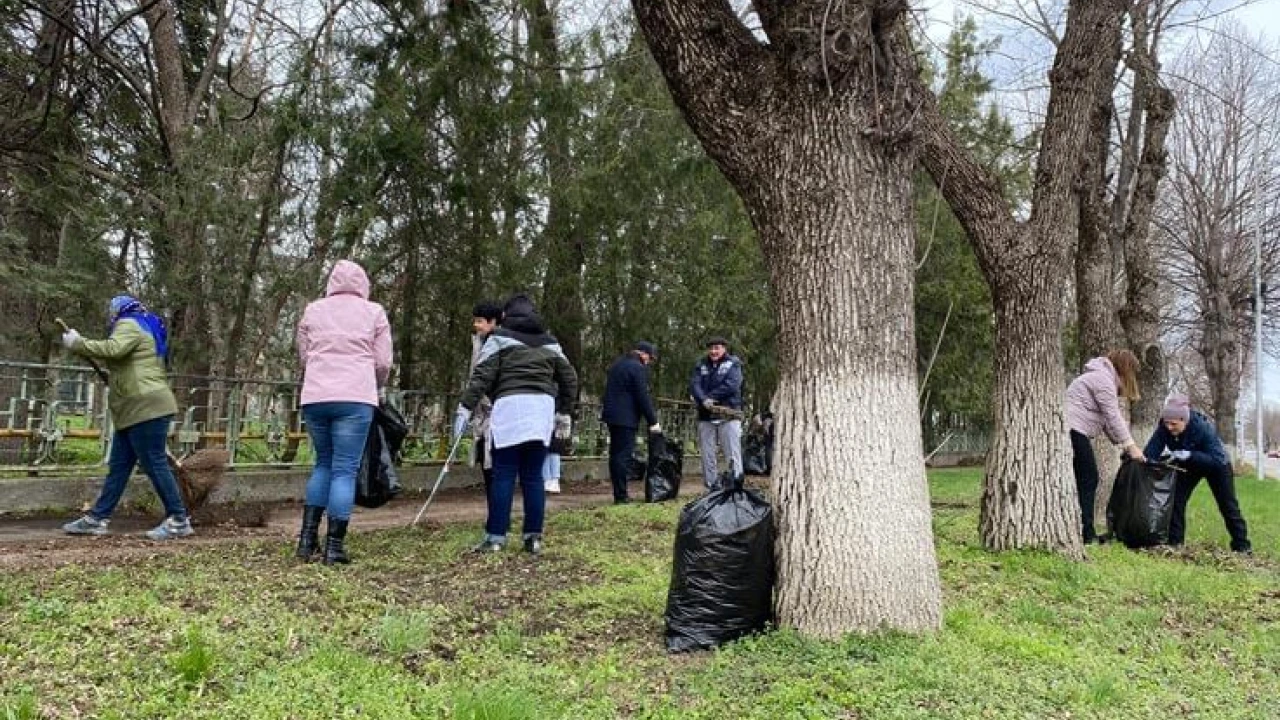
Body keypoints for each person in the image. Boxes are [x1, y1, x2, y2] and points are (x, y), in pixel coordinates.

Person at [60, 296, 192, 541]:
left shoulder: (129, 323)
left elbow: (113, 349)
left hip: (145, 406)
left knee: (154, 463)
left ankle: (178, 519)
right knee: (119, 467)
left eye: (111, 311)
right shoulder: (144, 325)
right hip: (135, 408)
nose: (110, 316)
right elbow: (122, 360)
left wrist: (79, 343)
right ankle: (97, 518)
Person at [454, 294, 577, 554]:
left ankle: (496, 537)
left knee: (504, 473)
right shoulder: (551, 343)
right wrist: (564, 411)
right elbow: (570, 378)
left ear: (506, 317)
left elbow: (482, 375)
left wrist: (464, 408)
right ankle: (533, 538)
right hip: (542, 409)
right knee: (533, 476)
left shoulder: (498, 338)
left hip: (510, 407)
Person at [294, 260, 393, 565]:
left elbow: (304, 353)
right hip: (355, 396)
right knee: (345, 470)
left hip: (316, 396)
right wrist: (374, 385)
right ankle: (334, 547)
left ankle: (306, 541)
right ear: (363, 284)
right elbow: (382, 363)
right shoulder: (373, 312)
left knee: (323, 464)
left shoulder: (313, 310)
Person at [1143, 394, 1251, 554]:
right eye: (1166, 423)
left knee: (1228, 506)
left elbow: (1215, 459)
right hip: (1189, 466)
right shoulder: (1164, 428)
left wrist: (1190, 455)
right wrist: (1142, 460)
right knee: (1176, 501)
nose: (1169, 427)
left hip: (1217, 466)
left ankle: (1242, 547)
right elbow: (1151, 451)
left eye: (1173, 424)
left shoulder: (1202, 428)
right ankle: (1175, 544)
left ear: (1184, 421)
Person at [1065, 349, 1145, 544]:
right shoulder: (1102, 380)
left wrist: (1124, 447)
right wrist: (1131, 446)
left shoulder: (1099, 378)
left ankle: (1081, 529)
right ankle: (1086, 533)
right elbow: (1112, 416)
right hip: (1073, 430)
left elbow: (1108, 424)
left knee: (1083, 479)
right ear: (1126, 370)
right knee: (1088, 478)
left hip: (1073, 431)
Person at [600, 341, 660, 504]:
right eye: (650, 359)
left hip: (613, 416)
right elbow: (642, 396)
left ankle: (618, 492)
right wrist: (653, 421)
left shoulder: (618, 364)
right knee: (623, 456)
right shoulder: (637, 368)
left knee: (615, 455)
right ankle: (621, 496)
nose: (649, 362)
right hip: (626, 418)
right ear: (644, 354)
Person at [690, 337, 744, 489]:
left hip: (729, 415)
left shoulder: (733, 363)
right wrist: (702, 399)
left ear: (724, 349)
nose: (713, 351)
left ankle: (736, 485)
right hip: (705, 416)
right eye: (711, 348)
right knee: (707, 455)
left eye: (717, 348)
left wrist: (711, 398)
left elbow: (732, 385)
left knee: (732, 453)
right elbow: (695, 384)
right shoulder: (701, 364)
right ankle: (711, 488)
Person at [468, 301, 502, 497]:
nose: (476, 325)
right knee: (486, 466)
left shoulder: (499, 345)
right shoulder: (479, 343)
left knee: (495, 468)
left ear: (493, 322)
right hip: (481, 415)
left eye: (480, 321)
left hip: (495, 412)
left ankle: (498, 518)